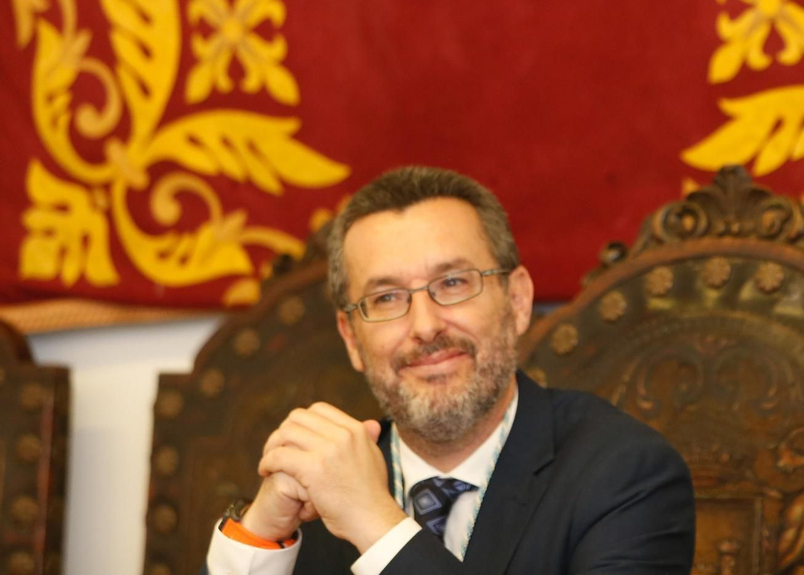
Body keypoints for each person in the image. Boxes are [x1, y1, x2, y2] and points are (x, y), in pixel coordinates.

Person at [204, 166, 696, 575]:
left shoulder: (626, 475)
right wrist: (261, 533)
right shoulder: (319, 479)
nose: (425, 326)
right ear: (351, 338)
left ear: (518, 301)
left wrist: (375, 522)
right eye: (387, 298)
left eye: (454, 282)